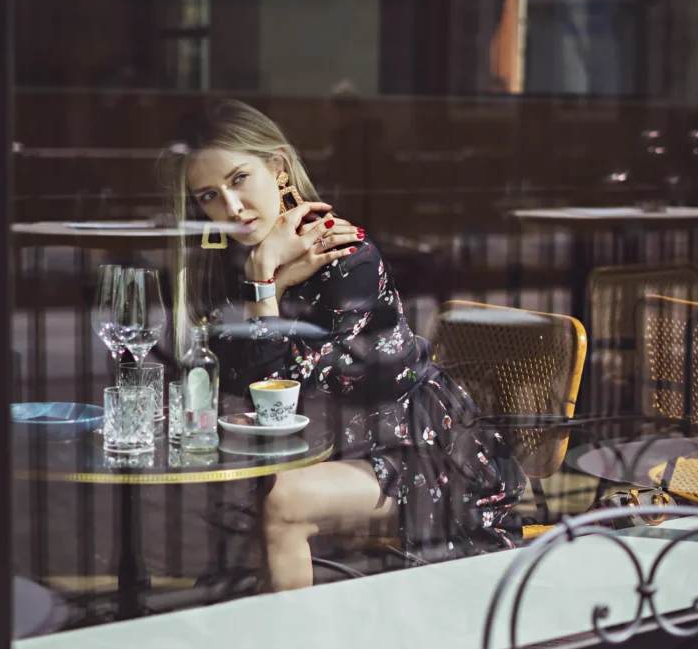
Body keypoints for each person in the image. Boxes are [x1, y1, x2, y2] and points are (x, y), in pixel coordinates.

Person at [162, 99, 523, 591]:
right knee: (265, 493)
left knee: (283, 502)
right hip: (332, 446)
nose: (230, 208)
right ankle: (269, 637)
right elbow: (243, 387)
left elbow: (289, 388)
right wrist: (265, 276)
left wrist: (266, 281)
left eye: (239, 179)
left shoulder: (343, 252)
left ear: (279, 168)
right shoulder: (238, 264)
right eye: (208, 196)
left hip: (418, 446)